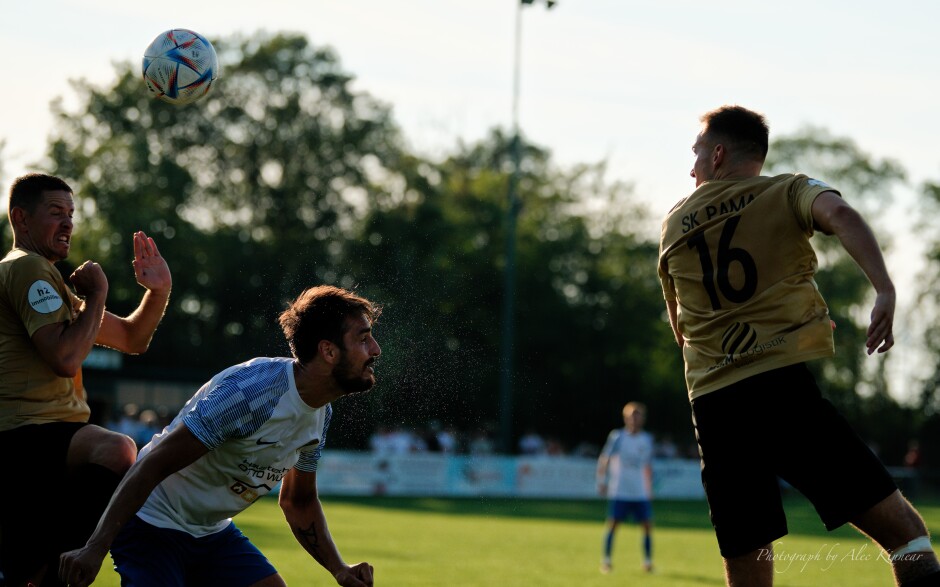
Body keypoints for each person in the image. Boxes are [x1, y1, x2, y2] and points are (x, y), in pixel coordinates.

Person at [658, 105, 940, 587]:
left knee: (747, 568)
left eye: (697, 153)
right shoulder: (784, 190)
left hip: (713, 406)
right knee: (907, 537)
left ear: (719, 154)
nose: (692, 166)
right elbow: (842, 214)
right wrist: (884, 289)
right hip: (778, 389)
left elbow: (679, 328)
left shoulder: (673, 224)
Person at [59, 285, 381, 587]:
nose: (375, 349)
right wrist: (94, 547)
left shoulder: (320, 412)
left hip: (212, 535)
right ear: (328, 351)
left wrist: (339, 569)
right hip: (152, 524)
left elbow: (299, 501)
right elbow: (152, 464)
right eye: (364, 338)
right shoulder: (252, 394)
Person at [0, 173, 172, 586]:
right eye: (56, 213)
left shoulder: (46, 278)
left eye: (72, 214)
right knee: (116, 450)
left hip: (47, 438)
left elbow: (131, 338)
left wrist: (159, 292)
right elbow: (64, 356)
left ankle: (34, 571)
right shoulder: (29, 267)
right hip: (27, 434)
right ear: (20, 219)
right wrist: (97, 296)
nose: (68, 223)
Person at [596, 402, 654, 574]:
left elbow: (648, 466)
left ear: (642, 418)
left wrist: (649, 487)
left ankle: (648, 562)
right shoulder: (618, 437)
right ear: (626, 418)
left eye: (638, 415)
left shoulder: (647, 439)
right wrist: (601, 480)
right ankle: (606, 561)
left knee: (647, 526)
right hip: (620, 490)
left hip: (640, 491)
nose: (635, 419)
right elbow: (605, 458)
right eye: (631, 415)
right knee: (613, 525)